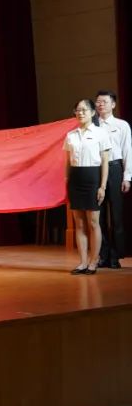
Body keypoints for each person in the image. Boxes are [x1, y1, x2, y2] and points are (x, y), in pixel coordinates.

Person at [65, 99, 110, 274]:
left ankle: (93, 261)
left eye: (84, 110)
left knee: (93, 222)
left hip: (93, 178)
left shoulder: (101, 133)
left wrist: (102, 186)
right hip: (75, 179)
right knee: (79, 223)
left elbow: (105, 161)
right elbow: (67, 162)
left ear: (92, 113)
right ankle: (83, 262)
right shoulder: (71, 135)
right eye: (77, 110)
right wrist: (66, 181)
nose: (80, 113)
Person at [95, 90, 130, 268]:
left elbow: (127, 151)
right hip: (96, 170)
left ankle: (115, 256)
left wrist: (127, 177)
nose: (101, 104)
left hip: (115, 169)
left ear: (113, 104)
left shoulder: (121, 125)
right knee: (98, 217)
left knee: (116, 216)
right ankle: (103, 255)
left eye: (105, 101)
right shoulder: (92, 125)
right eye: (98, 101)